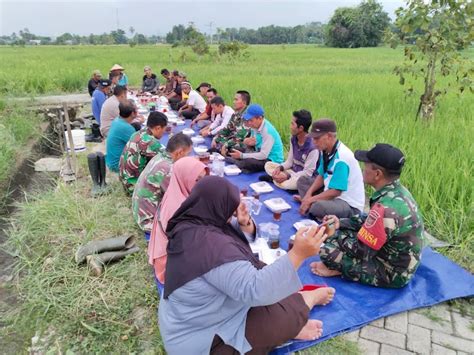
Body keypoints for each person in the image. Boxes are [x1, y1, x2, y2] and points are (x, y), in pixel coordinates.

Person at [159, 176, 336, 354]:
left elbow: (226, 236)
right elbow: (256, 289)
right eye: (230, 209)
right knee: (277, 316)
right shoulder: (210, 247)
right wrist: (298, 254)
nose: (232, 215)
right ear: (218, 206)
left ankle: (293, 317)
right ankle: (301, 311)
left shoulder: (193, 225)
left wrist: (245, 224)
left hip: (205, 315)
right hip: (200, 339)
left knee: (275, 284)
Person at [311, 143, 424, 288]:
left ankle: (340, 270)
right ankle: (341, 263)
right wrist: (340, 223)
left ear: (377, 174)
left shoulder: (385, 208)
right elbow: (369, 219)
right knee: (343, 233)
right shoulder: (396, 192)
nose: (363, 170)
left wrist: (332, 235)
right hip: (395, 256)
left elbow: (362, 250)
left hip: (392, 272)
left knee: (327, 251)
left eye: (366, 166)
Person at [149, 157, 209, 283]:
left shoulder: (177, 192)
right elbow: (188, 247)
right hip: (170, 266)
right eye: (196, 180)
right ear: (184, 179)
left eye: (203, 179)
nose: (202, 185)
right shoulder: (179, 208)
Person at [296, 119, 365, 220]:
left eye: (317, 138)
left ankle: (312, 206)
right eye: (313, 138)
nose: (314, 142)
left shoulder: (342, 158)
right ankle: (309, 204)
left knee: (318, 207)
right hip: (330, 192)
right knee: (302, 181)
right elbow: (321, 175)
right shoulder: (326, 150)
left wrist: (310, 200)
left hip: (347, 203)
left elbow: (336, 192)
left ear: (329, 136)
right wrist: (308, 194)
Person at [132, 133, 193, 234]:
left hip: (140, 212)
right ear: (179, 152)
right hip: (149, 221)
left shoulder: (160, 157)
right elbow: (181, 200)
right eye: (188, 154)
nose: (188, 157)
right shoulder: (168, 169)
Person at [262, 109, 319, 190]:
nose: (290, 127)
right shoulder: (293, 139)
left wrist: (288, 176)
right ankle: (279, 179)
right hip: (292, 171)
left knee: (292, 184)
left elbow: (307, 173)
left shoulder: (313, 148)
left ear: (301, 128)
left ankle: (277, 180)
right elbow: (289, 162)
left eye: (292, 124)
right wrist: (280, 168)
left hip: (302, 177)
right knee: (268, 165)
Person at [119, 112, 168, 194]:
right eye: (164, 130)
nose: (163, 134)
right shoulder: (151, 142)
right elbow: (167, 160)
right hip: (132, 186)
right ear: (158, 128)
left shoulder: (140, 132)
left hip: (125, 178)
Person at [228, 104, 284, 173]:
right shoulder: (255, 126)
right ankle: (243, 165)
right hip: (257, 152)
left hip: (271, 160)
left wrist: (242, 156)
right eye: (248, 120)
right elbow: (252, 144)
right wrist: (247, 143)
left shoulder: (268, 132)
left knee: (249, 161)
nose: (249, 123)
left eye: (251, 120)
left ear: (260, 118)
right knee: (234, 149)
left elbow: (263, 155)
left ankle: (240, 164)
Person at [212, 90, 251, 154]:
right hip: (233, 138)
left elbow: (239, 137)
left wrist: (226, 144)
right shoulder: (236, 113)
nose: (233, 102)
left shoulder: (247, 116)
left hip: (243, 143)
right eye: (234, 99)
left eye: (236, 100)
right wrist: (216, 138)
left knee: (230, 147)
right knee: (217, 141)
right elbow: (227, 128)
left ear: (244, 102)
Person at [105, 101, 136, 172]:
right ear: (132, 113)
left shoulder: (117, 120)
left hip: (111, 161)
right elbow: (139, 147)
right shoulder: (128, 128)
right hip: (118, 165)